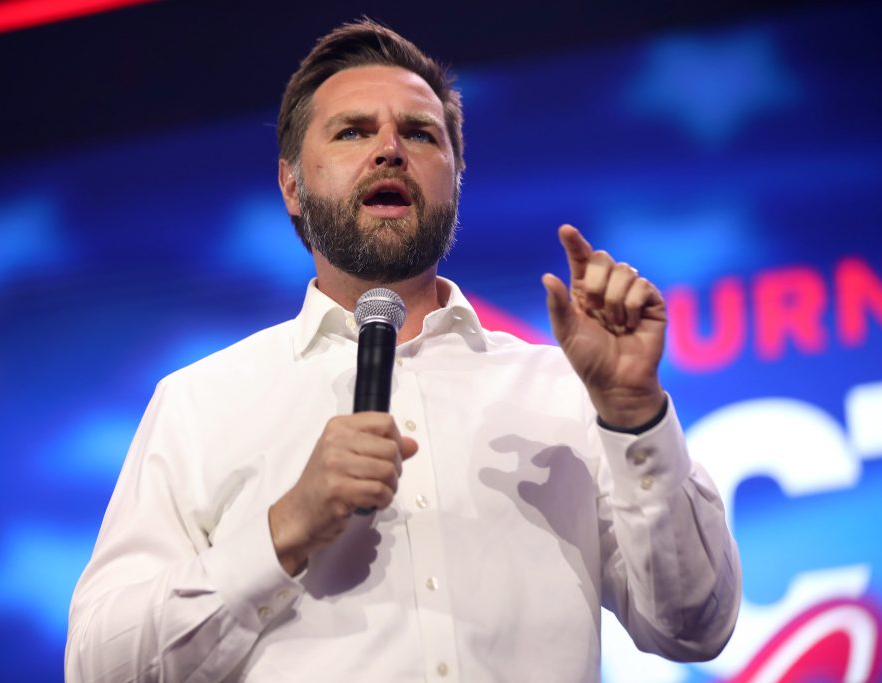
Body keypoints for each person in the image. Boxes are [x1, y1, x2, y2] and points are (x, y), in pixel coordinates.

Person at [66, 19, 741, 682]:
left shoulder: (562, 390)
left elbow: (695, 626)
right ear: (292, 185)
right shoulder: (200, 403)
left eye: (420, 133)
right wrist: (281, 530)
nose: (390, 149)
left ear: (454, 178)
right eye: (353, 131)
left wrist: (633, 413)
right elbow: (99, 664)